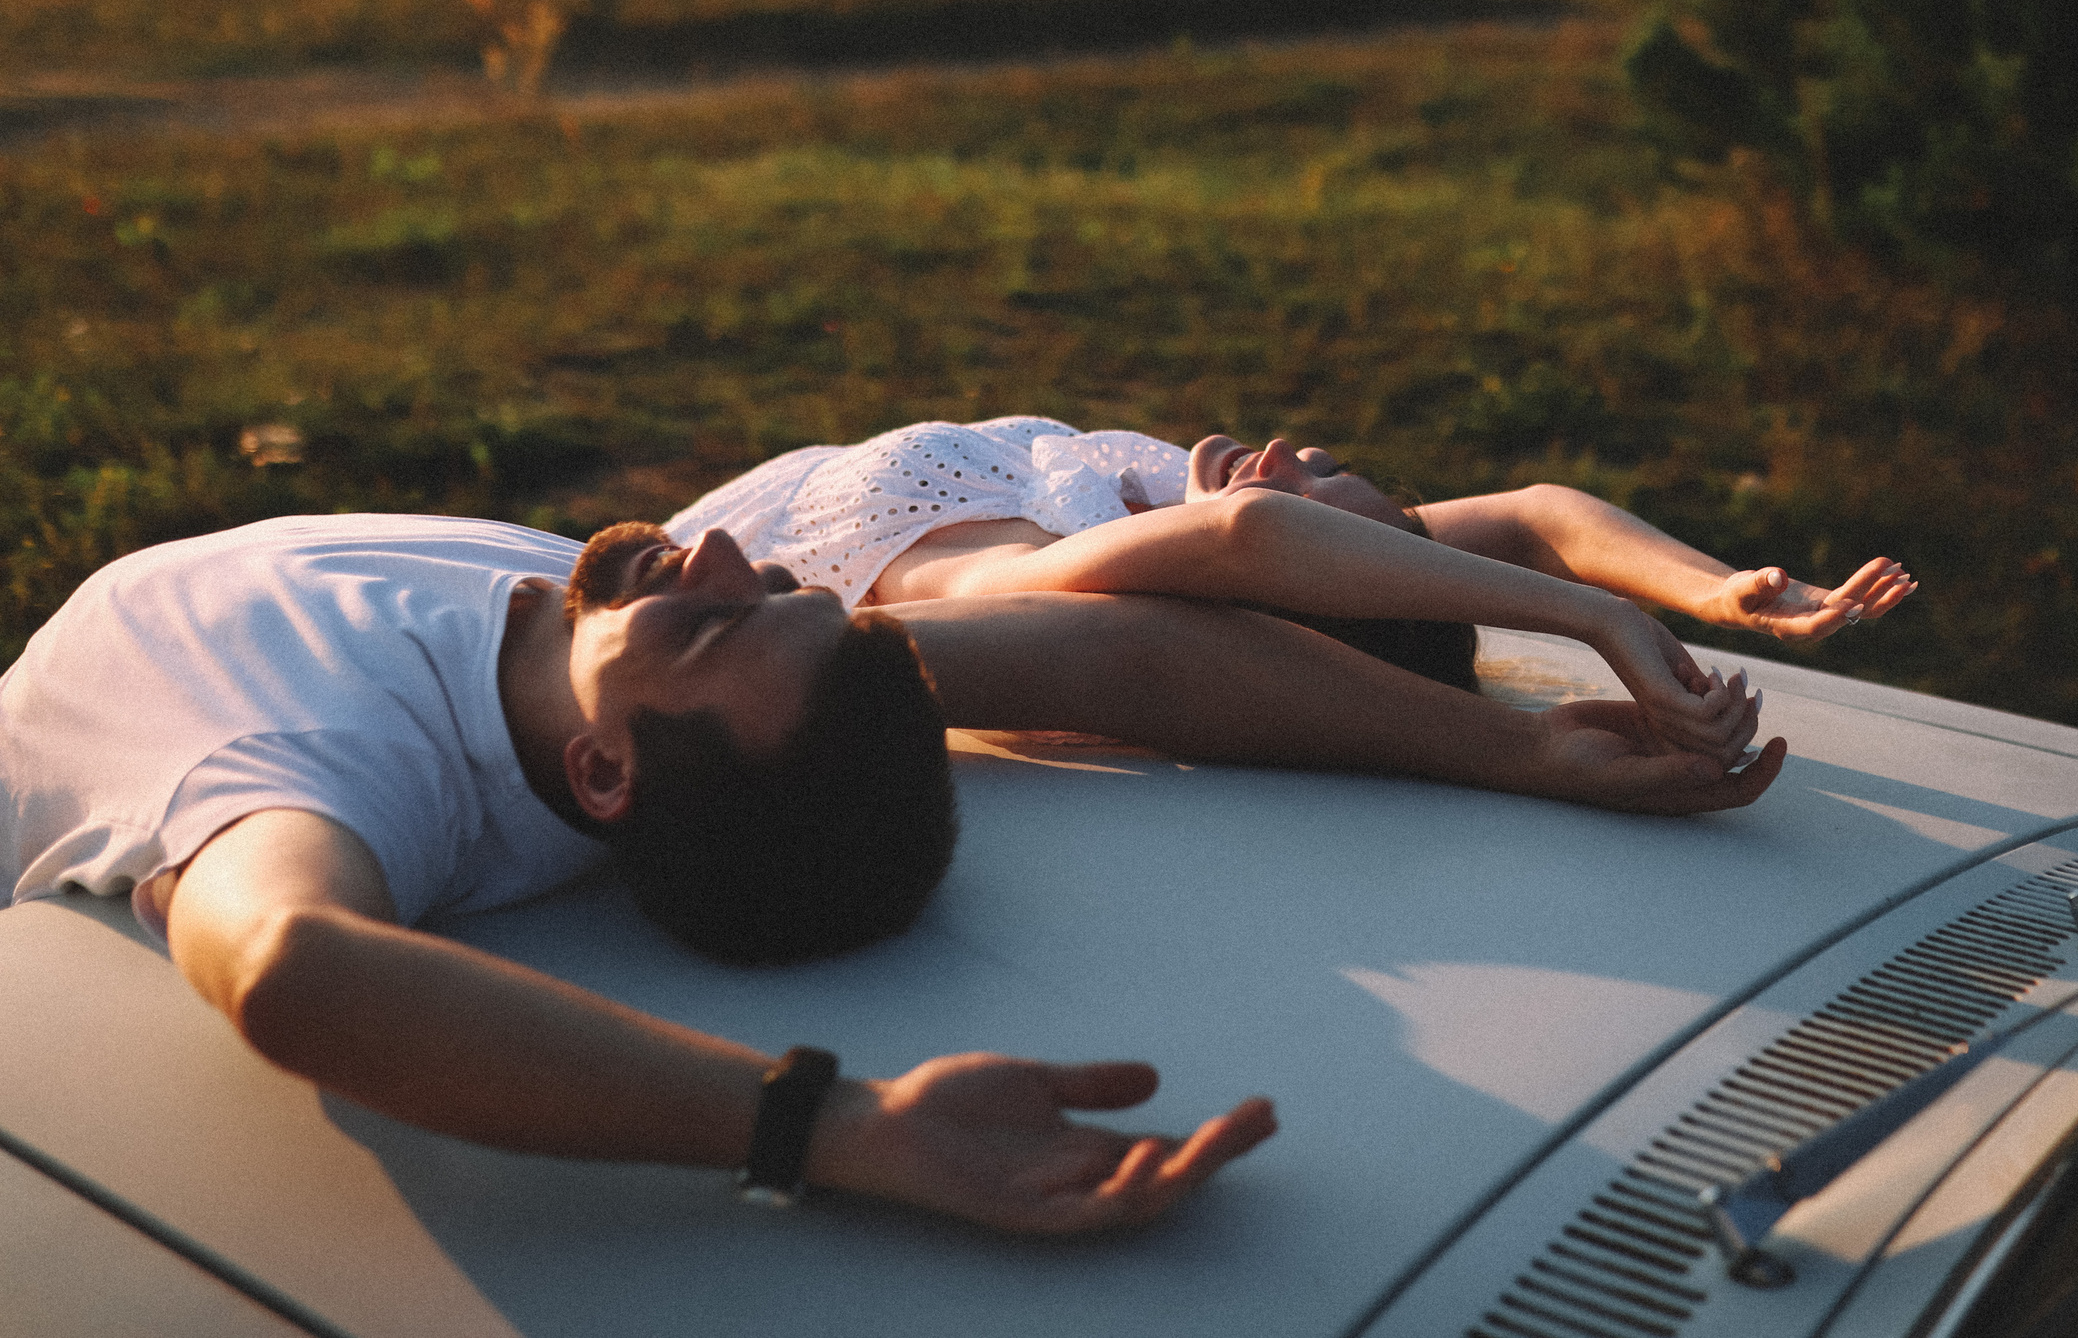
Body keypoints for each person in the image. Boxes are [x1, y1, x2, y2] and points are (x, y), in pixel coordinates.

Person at [0, 508, 1779, 1235]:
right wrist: (1515, 749)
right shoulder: (692, 670)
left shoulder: (324, 756)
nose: (705, 546)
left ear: (608, 771)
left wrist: (828, 1131)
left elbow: (296, 966)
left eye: (701, 618)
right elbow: (1107, 658)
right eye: (762, 585)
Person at [672, 416, 1915, 754]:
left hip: (666, 586)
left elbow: (1249, 537)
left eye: (1311, 489)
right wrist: (1714, 591)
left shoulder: (1030, 579)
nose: (1288, 457)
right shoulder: (1159, 509)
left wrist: (1604, 624)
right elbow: (1539, 519)